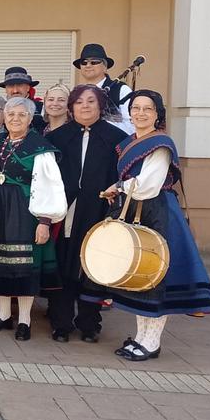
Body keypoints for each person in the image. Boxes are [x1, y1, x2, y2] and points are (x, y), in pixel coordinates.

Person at [100, 91, 210, 361]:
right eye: (136, 108)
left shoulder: (161, 144)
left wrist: (118, 186)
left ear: (157, 114)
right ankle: (141, 337)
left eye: (148, 109)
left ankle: (152, 342)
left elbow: (149, 185)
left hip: (159, 213)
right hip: (136, 210)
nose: (140, 113)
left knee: (157, 277)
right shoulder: (129, 142)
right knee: (140, 277)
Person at [0, 97, 67, 341]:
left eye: (21, 115)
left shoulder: (40, 148)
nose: (15, 119)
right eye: (11, 114)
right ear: (4, 117)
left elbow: (49, 187)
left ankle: (25, 320)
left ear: (30, 118)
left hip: (25, 211)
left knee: (24, 267)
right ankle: (3, 315)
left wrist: (45, 222)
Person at [45, 84, 128, 343]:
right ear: (71, 107)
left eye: (91, 101)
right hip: (65, 210)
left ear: (100, 106)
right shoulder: (57, 138)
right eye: (79, 102)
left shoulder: (116, 138)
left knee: (93, 265)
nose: (85, 106)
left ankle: (89, 323)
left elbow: (123, 175)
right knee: (63, 263)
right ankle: (61, 323)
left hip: (99, 210)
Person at [74, 43, 132, 119]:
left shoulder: (121, 90)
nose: (88, 65)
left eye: (94, 62)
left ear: (105, 66)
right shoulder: (77, 92)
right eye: (84, 63)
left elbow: (129, 121)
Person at [0, 67, 45, 132]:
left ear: (28, 88)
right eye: (11, 86)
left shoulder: (42, 108)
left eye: (19, 85)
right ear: (6, 89)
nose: (15, 91)